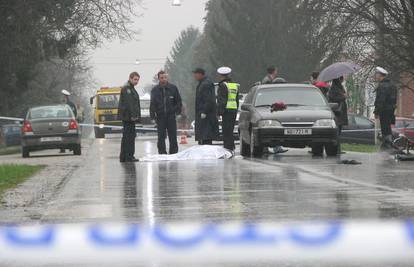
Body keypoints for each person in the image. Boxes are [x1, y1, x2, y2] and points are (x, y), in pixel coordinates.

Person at [150, 70, 182, 155]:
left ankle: (174, 152)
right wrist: (152, 117)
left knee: (173, 136)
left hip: (171, 116)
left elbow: (178, 102)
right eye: (161, 78)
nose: (164, 79)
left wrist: (177, 112)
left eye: (165, 77)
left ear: (167, 78)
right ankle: (162, 153)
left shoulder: (173, 88)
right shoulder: (155, 90)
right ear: (158, 78)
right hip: (160, 117)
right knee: (161, 137)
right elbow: (152, 104)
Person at [118, 72, 141, 163]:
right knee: (129, 137)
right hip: (128, 118)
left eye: (138, 80)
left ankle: (124, 156)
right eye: (135, 79)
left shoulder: (130, 88)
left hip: (128, 117)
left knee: (126, 137)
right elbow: (129, 104)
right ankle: (129, 156)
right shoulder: (127, 89)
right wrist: (133, 116)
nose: (136, 81)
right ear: (130, 78)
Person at [373, 67, 398, 150]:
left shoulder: (382, 86)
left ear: (380, 75)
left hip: (384, 110)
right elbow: (394, 99)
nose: (376, 76)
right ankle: (388, 143)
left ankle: (387, 144)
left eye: (377, 74)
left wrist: (376, 112)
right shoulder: (392, 84)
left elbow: (380, 100)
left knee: (384, 127)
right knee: (387, 127)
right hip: (391, 110)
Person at [193, 68, 219, 145]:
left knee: (206, 136)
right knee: (203, 136)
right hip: (203, 114)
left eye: (195, 74)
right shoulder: (202, 83)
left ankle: (206, 153)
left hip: (206, 115)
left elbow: (209, 99)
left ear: (200, 74)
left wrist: (204, 111)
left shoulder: (206, 84)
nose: (194, 76)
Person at [216, 67, 239, 152]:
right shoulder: (234, 85)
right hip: (233, 110)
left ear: (221, 76)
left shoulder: (223, 85)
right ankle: (231, 147)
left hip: (226, 111)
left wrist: (219, 112)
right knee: (230, 130)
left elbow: (222, 100)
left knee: (226, 131)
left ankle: (227, 148)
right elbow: (236, 99)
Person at [328, 76, 348, 153]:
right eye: (341, 78)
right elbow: (333, 98)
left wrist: (344, 95)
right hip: (337, 112)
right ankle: (336, 149)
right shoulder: (334, 88)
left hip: (341, 111)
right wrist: (343, 96)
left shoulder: (340, 87)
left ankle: (338, 149)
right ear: (338, 79)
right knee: (337, 131)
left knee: (339, 131)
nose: (343, 80)